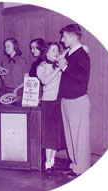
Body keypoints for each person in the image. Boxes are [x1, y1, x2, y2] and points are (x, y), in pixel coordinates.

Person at [57, 24, 91, 179]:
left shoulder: (82, 55)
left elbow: (83, 78)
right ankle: (74, 166)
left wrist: (65, 68)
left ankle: (81, 169)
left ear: (71, 36)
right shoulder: (71, 53)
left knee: (79, 137)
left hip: (77, 100)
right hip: (67, 99)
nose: (62, 40)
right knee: (71, 137)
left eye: (64, 36)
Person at [37, 42, 66, 179]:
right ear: (46, 53)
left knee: (55, 136)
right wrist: (58, 69)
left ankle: (52, 162)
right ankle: (47, 165)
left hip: (59, 102)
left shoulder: (59, 63)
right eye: (53, 50)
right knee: (49, 136)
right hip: (48, 103)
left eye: (57, 50)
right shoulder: (41, 66)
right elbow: (45, 81)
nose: (56, 52)